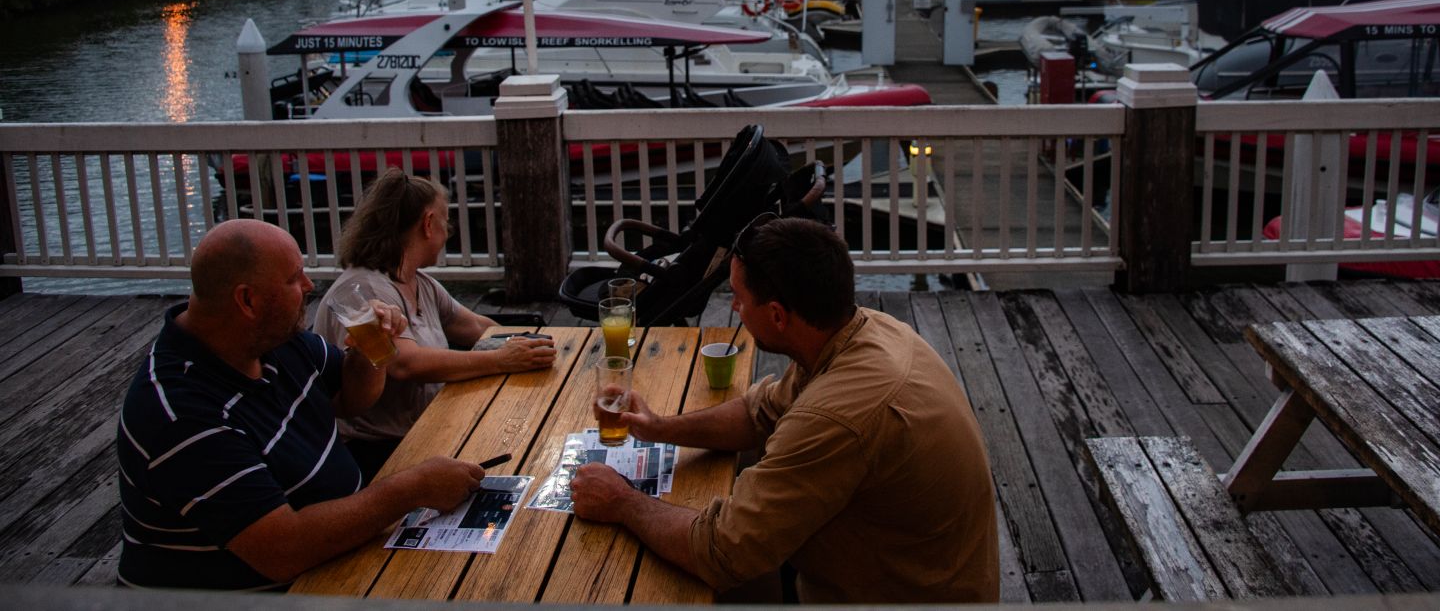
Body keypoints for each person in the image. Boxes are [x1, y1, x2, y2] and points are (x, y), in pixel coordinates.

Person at [570, 216, 1000, 602]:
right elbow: (760, 412)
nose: (734, 308)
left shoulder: (836, 416)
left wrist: (623, 501)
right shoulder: (859, 331)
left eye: (738, 298)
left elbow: (723, 551)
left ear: (776, 315)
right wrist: (658, 427)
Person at [116, 219, 484, 590]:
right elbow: (283, 550)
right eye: (294, 279)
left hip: (340, 556)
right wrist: (411, 489)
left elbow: (351, 399)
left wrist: (373, 348)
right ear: (248, 300)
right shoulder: (182, 414)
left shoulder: (273, 341)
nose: (309, 288)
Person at [312, 167, 555, 480]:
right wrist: (501, 359)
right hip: (381, 452)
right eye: (446, 220)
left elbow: (475, 326)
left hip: (432, 426)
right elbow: (405, 364)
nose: (448, 231)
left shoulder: (419, 282)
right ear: (428, 224)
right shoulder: (364, 288)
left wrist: (537, 341)